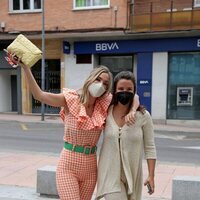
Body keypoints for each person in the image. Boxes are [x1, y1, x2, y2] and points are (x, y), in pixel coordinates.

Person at [5, 50, 139, 200]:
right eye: (98, 80)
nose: (101, 85)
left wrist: (133, 110)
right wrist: (26, 68)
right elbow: (39, 95)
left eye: (105, 84)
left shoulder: (105, 103)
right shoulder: (71, 99)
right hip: (68, 164)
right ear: (90, 80)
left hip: (90, 167)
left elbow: (134, 96)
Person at [96, 71, 157, 200]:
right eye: (121, 89)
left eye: (129, 89)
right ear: (115, 90)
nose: (125, 92)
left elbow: (150, 148)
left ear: (134, 91)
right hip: (109, 173)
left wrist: (151, 175)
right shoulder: (105, 111)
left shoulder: (143, 116)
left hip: (132, 174)